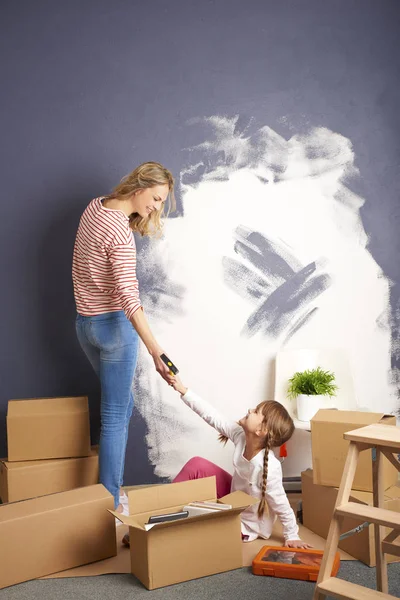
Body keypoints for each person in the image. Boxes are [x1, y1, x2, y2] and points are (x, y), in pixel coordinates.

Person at [72, 162, 176, 514]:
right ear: (140, 187)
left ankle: (108, 492)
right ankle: (111, 504)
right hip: (115, 330)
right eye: (157, 198)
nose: (156, 207)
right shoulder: (120, 235)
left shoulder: (95, 206)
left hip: (85, 326)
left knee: (121, 407)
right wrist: (156, 350)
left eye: (161, 202)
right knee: (115, 416)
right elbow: (130, 300)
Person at [123, 374, 311, 548]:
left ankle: (157, 534)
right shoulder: (240, 436)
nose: (249, 410)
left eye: (256, 411)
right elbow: (212, 416)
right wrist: (183, 390)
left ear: (261, 430)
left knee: (199, 531)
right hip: (232, 497)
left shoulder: (269, 467)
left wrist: (292, 535)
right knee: (197, 464)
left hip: (245, 523)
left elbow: (281, 503)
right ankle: (157, 514)